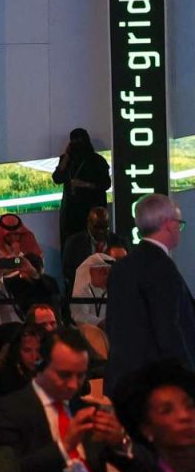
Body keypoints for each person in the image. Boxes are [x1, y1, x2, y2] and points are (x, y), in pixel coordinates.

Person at [0, 329, 127, 472]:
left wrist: (119, 444)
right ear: (39, 364)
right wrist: (64, 446)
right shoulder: (7, 410)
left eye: (80, 376)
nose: (73, 385)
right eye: (64, 375)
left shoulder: (86, 409)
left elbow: (127, 467)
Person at [106, 193, 195, 391]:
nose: (179, 230)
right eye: (179, 223)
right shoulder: (162, 268)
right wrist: (187, 378)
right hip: (155, 384)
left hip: (122, 380)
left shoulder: (121, 267)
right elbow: (168, 329)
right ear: (168, 224)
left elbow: (113, 325)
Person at [52, 128, 111, 249]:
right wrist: (67, 155)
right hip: (70, 213)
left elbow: (106, 184)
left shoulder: (97, 161)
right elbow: (57, 178)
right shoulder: (67, 160)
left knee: (92, 245)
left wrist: (85, 184)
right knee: (71, 246)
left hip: (92, 211)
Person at [60, 206, 128, 295]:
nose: (101, 231)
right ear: (89, 223)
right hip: (83, 293)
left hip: (114, 293)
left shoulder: (120, 243)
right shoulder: (74, 243)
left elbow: (127, 270)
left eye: (104, 227)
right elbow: (68, 271)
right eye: (97, 227)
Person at [0, 324, 43, 405]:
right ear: (17, 351)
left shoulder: (51, 371)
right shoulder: (2, 377)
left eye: (38, 350)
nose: (34, 356)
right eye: (27, 350)